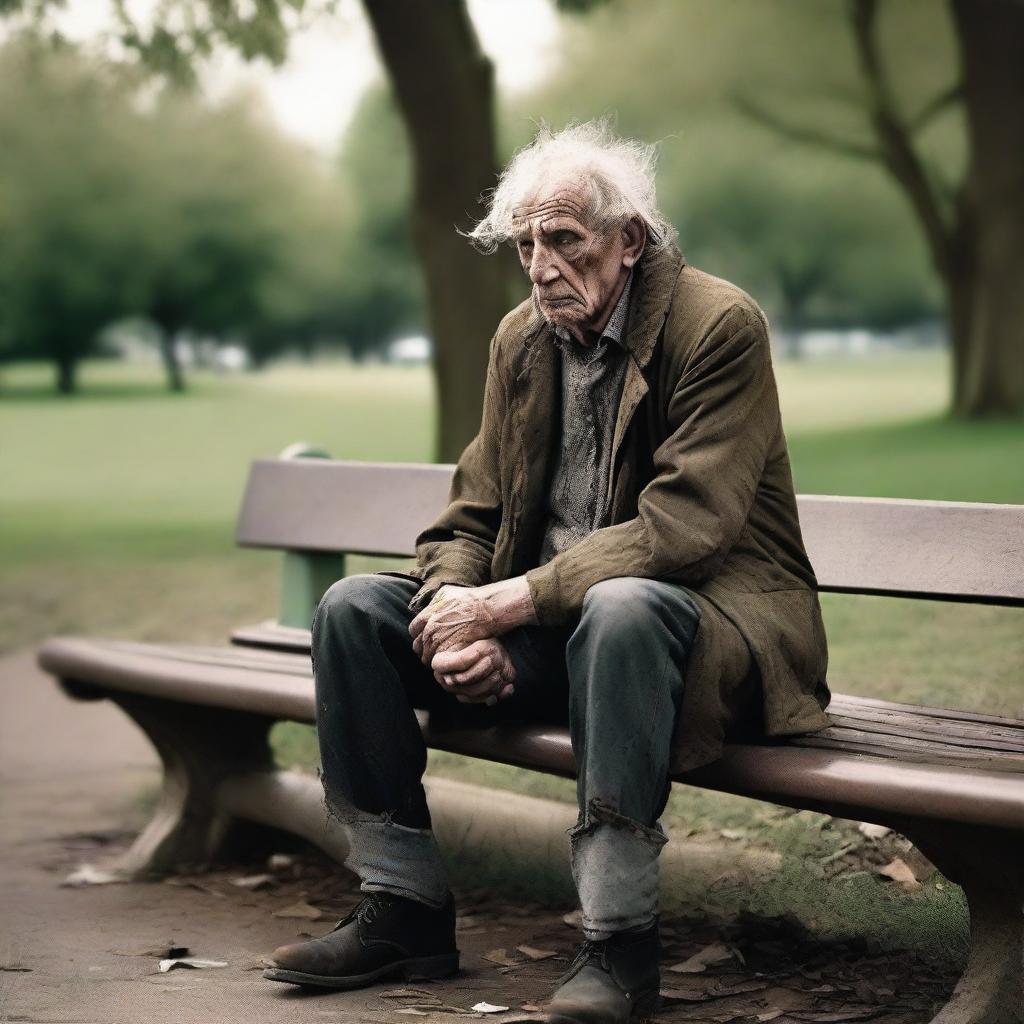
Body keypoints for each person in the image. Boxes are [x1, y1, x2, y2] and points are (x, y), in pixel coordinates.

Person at [262, 120, 832, 1024]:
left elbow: (685, 527)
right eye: (525, 243)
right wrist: (453, 608)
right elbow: (472, 513)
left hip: (709, 636)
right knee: (353, 611)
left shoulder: (718, 326)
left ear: (629, 241)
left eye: (564, 240)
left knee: (622, 606)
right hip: (558, 632)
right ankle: (402, 907)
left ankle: (619, 943)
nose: (540, 264)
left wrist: (511, 603)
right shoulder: (520, 340)